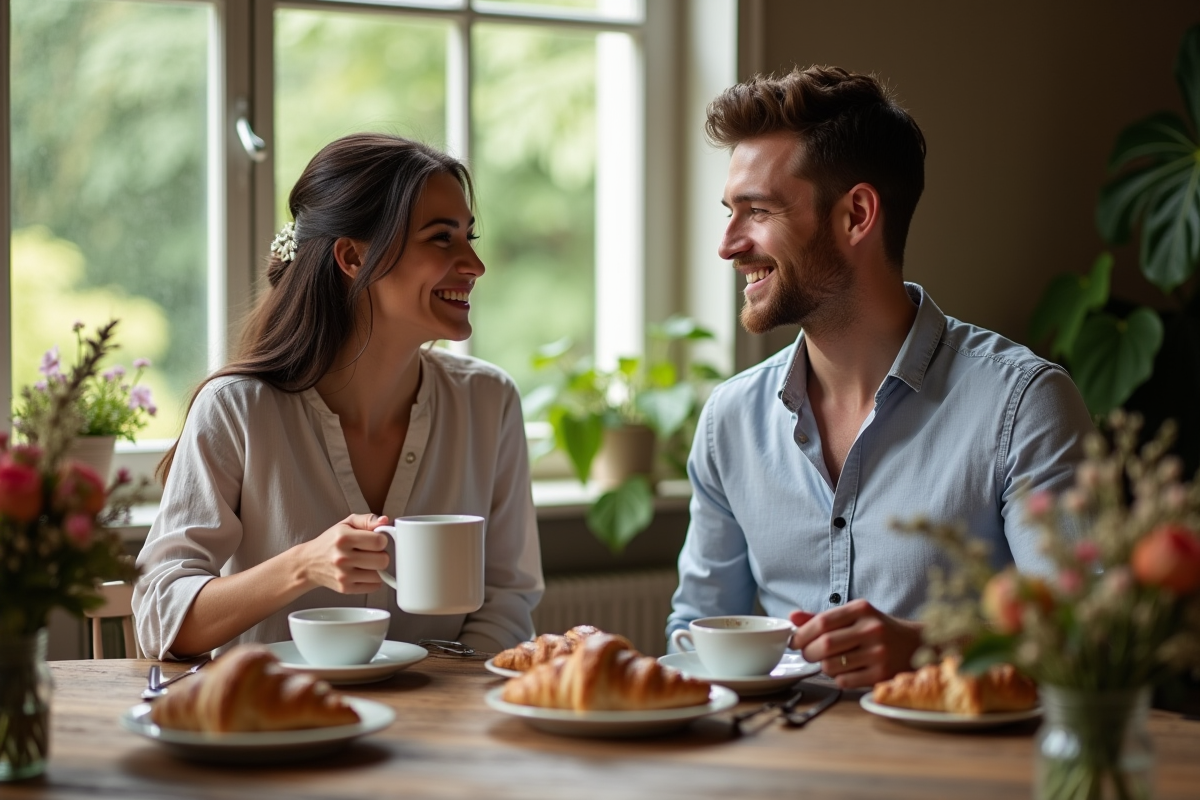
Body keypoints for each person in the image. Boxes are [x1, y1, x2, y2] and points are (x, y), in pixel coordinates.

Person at [666, 66, 1094, 689]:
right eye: (730, 212)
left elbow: (1086, 635)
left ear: (857, 215)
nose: (729, 245)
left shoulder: (1024, 406)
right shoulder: (729, 420)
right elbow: (696, 634)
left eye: (756, 211)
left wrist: (930, 650)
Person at [133, 133, 543, 659]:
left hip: (439, 728)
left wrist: (448, 696)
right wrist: (303, 564)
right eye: (442, 239)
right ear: (351, 256)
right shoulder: (237, 409)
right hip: (276, 723)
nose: (474, 264)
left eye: (469, 237)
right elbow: (159, 616)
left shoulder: (489, 402)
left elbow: (508, 598)